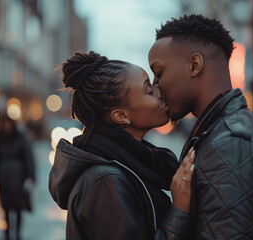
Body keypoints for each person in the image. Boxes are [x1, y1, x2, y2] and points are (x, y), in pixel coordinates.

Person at [148, 14, 253, 239]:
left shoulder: (230, 143)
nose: (155, 87)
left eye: (159, 73)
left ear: (194, 65)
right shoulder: (216, 132)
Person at [48, 51, 195, 239]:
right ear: (121, 116)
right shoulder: (105, 181)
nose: (160, 92)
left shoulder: (131, 165)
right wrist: (179, 212)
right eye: (149, 90)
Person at [0, 114, 36, 240]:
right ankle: (7, 235)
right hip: (3, 180)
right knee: (6, 209)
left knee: (18, 208)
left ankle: (18, 234)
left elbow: (28, 158)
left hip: (18, 180)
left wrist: (30, 176)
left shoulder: (21, 138)